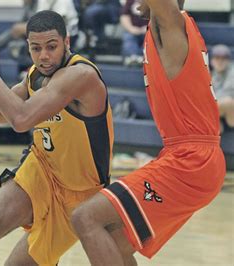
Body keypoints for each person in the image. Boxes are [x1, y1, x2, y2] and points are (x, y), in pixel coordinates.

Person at [0, 10, 113, 265]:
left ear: (67, 42)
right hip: (42, 169)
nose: (44, 55)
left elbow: (20, 120)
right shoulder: (35, 75)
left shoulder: (81, 76)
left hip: (80, 192)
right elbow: (0, 114)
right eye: (36, 48)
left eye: (51, 46)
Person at [71, 0, 226, 265]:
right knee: (115, 242)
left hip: (191, 159)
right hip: (191, 158)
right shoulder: (164, 30)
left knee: (85, 217)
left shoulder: (171, 23)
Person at [210, 44, 234, 131]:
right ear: (212, 61)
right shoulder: (212, 74)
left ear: (228, 60)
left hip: (231, 114)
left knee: (228, 102)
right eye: (217, 58)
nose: (220, 61)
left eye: (223, 58)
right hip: (220, 113)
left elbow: (229, 94)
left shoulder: (232, 70)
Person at [120, 0, 148, 67]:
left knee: (149, 40)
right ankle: (132, 58)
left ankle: (144, 58)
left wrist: (148, 28)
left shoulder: (154, 3)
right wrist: (131, 29)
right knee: (128, 37)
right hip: (133, 30)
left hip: (149, 31)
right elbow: (124, 16)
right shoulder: (130, 1)